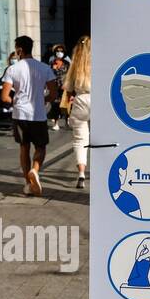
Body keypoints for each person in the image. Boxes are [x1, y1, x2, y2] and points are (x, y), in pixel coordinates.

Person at [1, 35, 57, 197]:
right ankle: (35, 169)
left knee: (24, 147)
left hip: (19, 114)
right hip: (38, 114)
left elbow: (5, 96)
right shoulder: (45, 68)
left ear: (19, 49)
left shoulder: (12, 69)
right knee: (41, 147)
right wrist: (42, 100)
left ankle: (27, 183)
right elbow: (53, 94)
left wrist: (16, 102)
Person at [64, 36, 91, 188]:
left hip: (80, 99)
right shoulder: (100, 61)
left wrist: (69, 108)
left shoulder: (75, 65)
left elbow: (68, 90)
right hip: (98, 100)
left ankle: (81, 174)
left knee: (80, 140)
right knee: (102, 138)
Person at [47, 43, 70, 130]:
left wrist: (67, 84)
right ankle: (56, 123)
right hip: (55, 86)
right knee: (55, 105)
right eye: (57, 51)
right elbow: (48, 74)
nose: (59, 53)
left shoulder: (67, 63)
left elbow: (70, 75)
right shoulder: (52, 63)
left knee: (65, 104)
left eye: (61, 51)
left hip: (64, 86)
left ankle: (67, 120)